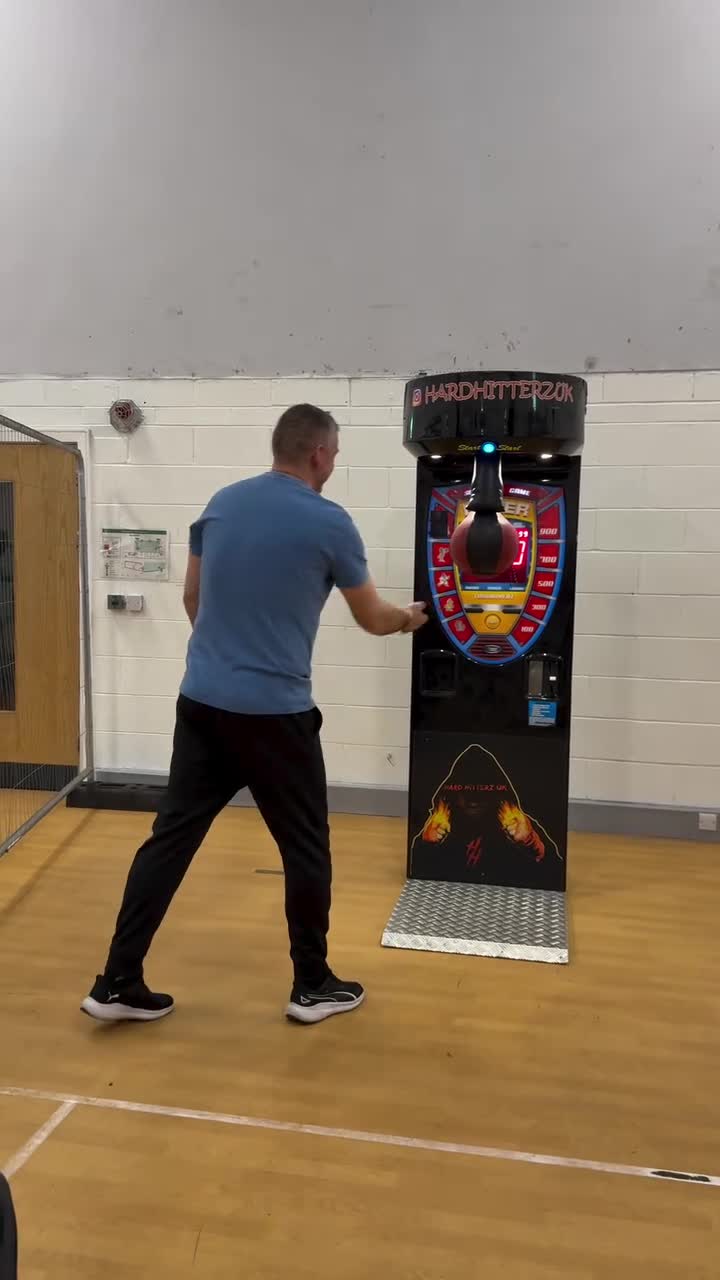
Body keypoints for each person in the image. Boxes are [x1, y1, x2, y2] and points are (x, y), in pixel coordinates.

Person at [81, 404, 428, 1027]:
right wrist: (409, 618)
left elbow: (192, 597)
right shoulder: (329, 521)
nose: (334, 462)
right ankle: (312, 985)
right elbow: (371, 618)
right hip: (275, 719)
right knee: (306, 848)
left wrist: (225, 659)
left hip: (202, 705)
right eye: (335, 453)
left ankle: (116, 982)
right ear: (319, 453)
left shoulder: (221, 505)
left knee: (170, 840)